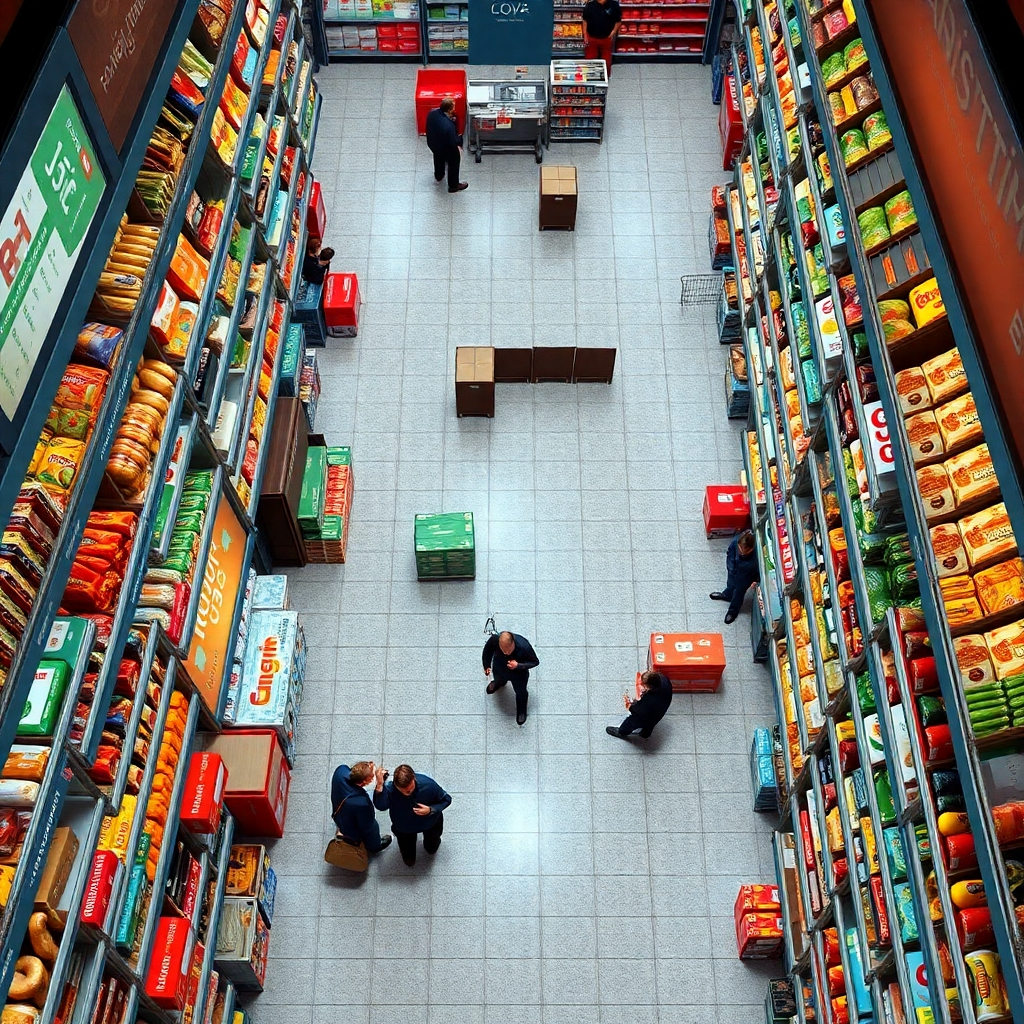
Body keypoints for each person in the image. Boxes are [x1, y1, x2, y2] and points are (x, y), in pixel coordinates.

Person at [373, 764, 452, 867]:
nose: (409, 792)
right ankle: (409, 858)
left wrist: (430, 810)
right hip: (405, 828)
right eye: (404, 791)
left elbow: (446, 799)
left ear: (414, 778)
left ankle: (431, 848)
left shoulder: (428, 784)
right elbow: (381, 806)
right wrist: (379, 786)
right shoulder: (389, 790)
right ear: (396, 786)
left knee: (432, 847)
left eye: (411, 788)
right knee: (408, 856)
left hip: (430, 822)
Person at [330, 761, 392, 853]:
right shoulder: (362, 802)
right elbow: (367, 825)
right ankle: (374, 846)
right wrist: (379, 785)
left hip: (339, 812)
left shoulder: (340, 770)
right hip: (351, 826)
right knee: (372, 827)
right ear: (364, 782)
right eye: (373, 777)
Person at [483, 629, 539, 726]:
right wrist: (486, 665)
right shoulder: (495, 639)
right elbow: (487, 651)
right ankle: (498, 683)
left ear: (513, 642)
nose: (506, 653)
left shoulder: (524, 646)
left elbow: (535, 662)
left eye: (508, 649)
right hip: (500, 668)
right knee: (498, 679)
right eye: (503, 649)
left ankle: (521, 711)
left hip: (518, 674)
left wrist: (518, 665)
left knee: (521, 692)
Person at [710, 529, 760, 624]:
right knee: (730, 584)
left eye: (744, 552)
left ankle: (733, 611)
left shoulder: (755, 560)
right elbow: (730, 552)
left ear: (751, 549)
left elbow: (757, 572)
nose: (741, 552)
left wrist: (755, 580)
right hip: (733, 571)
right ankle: (727, 595)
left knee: (738, 594)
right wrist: (730, 567)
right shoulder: (736, 541)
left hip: (745, 579)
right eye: (740, 549)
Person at [606, 670, 673, 740]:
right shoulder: (664, 680)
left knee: (631, 721)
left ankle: (621, 731)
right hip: (662, 708)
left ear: (649, 686)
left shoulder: (648, 701)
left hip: (648, 712)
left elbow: (638, 711)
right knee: (652, 722)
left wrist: (631, 705)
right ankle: (646, 733)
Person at [425, 97, 468, 194]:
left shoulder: (432, 113)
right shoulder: (448, 126)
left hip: (433, 143)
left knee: (438, 157)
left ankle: (439, 175)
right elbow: (452, 141)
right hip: (446, 148)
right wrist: (459, 141)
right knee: (454, 163)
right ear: (450, 109)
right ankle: (453, 185)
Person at [581, 0, 622, 74]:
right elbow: (585, 20)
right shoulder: (590, 5)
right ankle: (590, 77)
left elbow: (618, 21)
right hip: (591, 38)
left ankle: (605, 77)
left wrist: (613, 33)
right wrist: (585, 34)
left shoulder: (614, 5)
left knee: (606, 61)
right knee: (590, 60)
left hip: (606, 38)